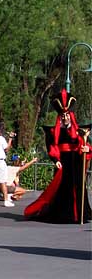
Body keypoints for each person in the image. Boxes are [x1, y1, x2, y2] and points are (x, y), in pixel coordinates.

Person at [25, 90, 91, 223]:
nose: (65, 118)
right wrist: (55, 160)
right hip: (63, 161)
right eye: (63, 115)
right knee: (63, 189)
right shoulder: (52, 131)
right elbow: (52, 147)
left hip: (76, 161)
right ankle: (65, 214)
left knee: (78, 187)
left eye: (67, 115)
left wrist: (86, 148)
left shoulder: (80, 130)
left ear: (70, 115)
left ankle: (80, 214)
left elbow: (85, 145)